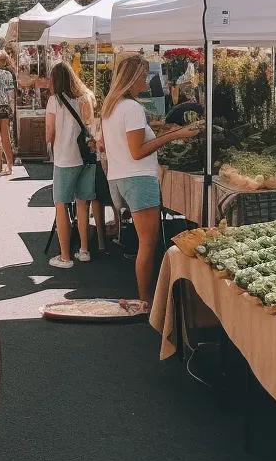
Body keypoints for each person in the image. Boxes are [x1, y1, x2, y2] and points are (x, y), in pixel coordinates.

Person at [101, 53, 200, 304]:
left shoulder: (111, 107)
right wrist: (175, 135)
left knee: (144, 242)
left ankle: (147, 298)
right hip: (138, 179)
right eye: (144, 76)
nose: (146, 81)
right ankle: (146, 300)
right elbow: (138, 152)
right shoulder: (132, 108)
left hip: (120, 178)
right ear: (133, 78)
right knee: (147, 243)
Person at [45, 62, 98, 269]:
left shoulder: (54, 101)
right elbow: (91, 127)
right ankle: (84, 250)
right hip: (86, 157)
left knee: (61, 205)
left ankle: (65, 256)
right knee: (83, 203)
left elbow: (49, 134)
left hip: (65, 158)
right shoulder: (85, 98)